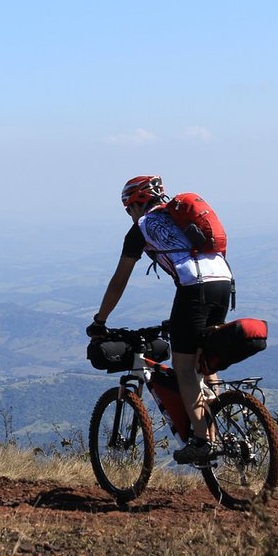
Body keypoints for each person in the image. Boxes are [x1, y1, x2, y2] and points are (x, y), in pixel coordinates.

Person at [86, 175, 234, 465]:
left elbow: (119, 281)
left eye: (128, 209)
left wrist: (100, 320)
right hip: (225, 283)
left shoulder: (141, 228)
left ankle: (203, 441)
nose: (129, 216)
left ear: (136, 204)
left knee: (184, 368)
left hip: (195, 288)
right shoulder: (179, 218)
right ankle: (219, 415)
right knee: (205, 360)